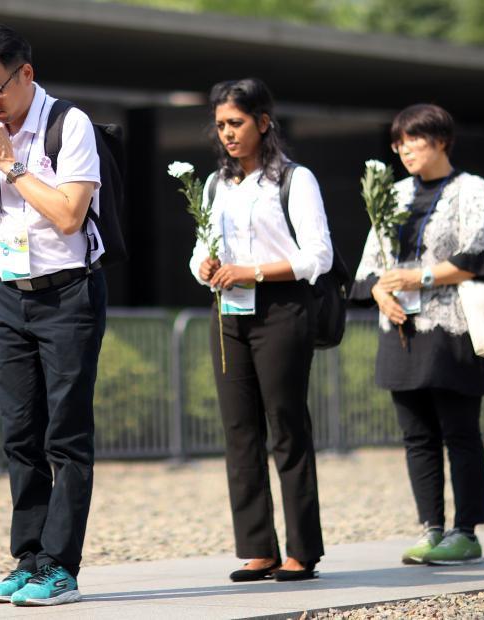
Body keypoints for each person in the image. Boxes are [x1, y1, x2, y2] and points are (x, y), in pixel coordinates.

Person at [0, 22, 106, 606]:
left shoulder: (70, 124)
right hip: (10, 293)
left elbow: (70, 216)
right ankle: (28, 558)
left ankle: (60, 567)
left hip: (68, 294)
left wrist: (15, 165)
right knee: (20, 433)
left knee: (65, 434)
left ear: (26, 75)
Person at [351, 104, 484, 565]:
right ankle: (431, 528)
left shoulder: (472, 190)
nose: (404, 149)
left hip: (453, 329)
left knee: (460, 431)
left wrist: (418, 278)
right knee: (416, 436)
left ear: (441, 141)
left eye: (413, 140)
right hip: (400, 329)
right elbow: (369, 266)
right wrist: (381, 294)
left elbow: (482, 256)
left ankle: (466, 531)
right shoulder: (393, 194)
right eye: (397, 142)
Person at [188, 78, 333, 582]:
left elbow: (319, 256)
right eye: (221, 124)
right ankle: (257, 548)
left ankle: (302, 550)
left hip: (281, 310)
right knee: (238, 429)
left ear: (263, 123)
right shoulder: (212, 184)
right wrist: (203, 266)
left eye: (237, 123)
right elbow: (198, 250)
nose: (227, 133)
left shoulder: (294, 179)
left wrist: (254, 270)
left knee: (286, 427)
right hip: (227, 311)